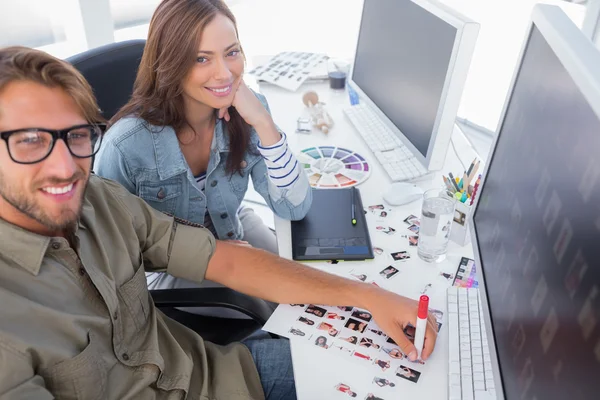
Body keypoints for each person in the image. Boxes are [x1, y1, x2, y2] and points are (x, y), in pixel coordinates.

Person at [0, 47, 438, 399]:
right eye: (30, 141)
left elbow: (225, 261)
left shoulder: (100, 200)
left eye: (75, 135)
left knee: (409, 366)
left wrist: (366, 296)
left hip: (221, 377)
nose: (65, 165)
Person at [93, 0, 312, 316]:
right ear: (170, 63)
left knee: (311, 293)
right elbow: (111, 255)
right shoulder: (124, 146)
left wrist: (263, 124)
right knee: (268, 315)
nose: (224, 74)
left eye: (231, 53)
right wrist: (212, 255)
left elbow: (294, 207)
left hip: (232, 229)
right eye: (201, 58)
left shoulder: (248, 111)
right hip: (171, 270)